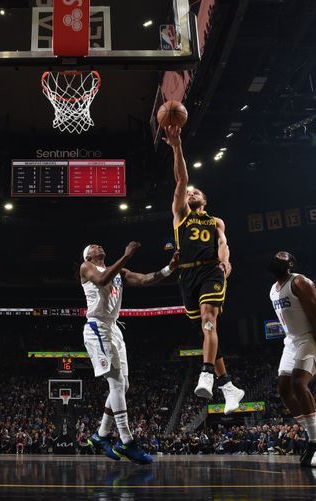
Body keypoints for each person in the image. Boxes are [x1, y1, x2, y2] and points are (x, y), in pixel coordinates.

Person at [164, 125, 245, 411]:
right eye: (188, 192)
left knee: (209, 319)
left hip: (211, 270)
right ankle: (229, 387)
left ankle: (207, 373)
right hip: (188, 275)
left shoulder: (215, 221)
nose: (190, 193)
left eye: (196, 192)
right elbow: (181, 177)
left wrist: (225, 260)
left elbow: (223, 243)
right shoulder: (180, 215)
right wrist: (176, 147)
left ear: (205, 201)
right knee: (205, 328)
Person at [80, 242, 179, 465]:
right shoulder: (86, 267)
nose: (98, 246)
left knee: (122, 386)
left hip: (113, 328)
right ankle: (127, 441)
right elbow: (102, 280)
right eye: (94, 246)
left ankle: (101, 435)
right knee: (115, 384)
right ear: (88, 255)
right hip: (97, 328)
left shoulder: (119, 272)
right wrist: (126, 256)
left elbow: (145, 279)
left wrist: (170, 268)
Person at [268, 251, 316, 467]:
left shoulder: (299, 282)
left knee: (299, 383)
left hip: (313, 336)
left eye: (282, 258)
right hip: (292, 341)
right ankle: (314, 437)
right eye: (275, 258)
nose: (277, 260)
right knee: (283, 389)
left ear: (290, 264)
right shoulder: (273, 290)